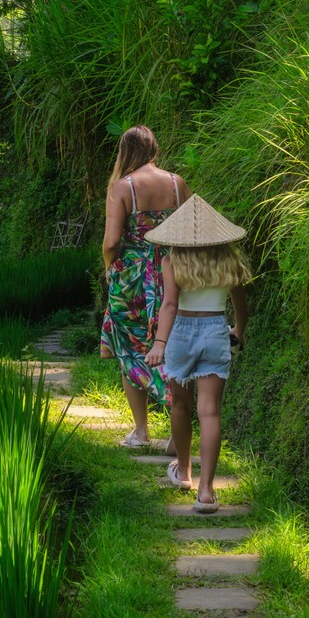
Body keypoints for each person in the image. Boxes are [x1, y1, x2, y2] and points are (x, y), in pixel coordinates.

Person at [143, 196, 252, 511]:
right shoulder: (228, 260)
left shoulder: (173, 260)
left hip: (181, 333)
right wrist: (239, 331)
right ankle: (206, 492)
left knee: (180, 404)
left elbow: (170, 305)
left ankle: (184, 471)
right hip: (216, 330)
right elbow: (240, 305)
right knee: (210, 412)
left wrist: (160, 343)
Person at [99, 126, 185, 453]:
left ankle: (141, 431)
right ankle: (179, 433)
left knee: (129, 348)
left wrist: (111, 269)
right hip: (174, 272)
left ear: (124, 153)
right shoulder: (178, 184)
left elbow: (111, 242)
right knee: (173, 347)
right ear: (154, 149)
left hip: (131, 278)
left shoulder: (122, 187)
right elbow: (189, 231)